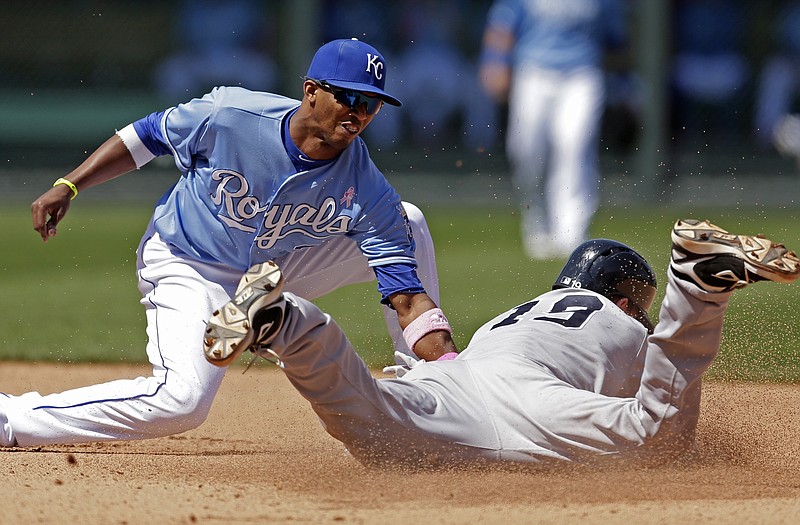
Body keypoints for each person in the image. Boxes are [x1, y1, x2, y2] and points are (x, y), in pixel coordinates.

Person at [1, 38, 456, 448]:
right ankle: (11, 418)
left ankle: (421, 383)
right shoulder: (232, 116)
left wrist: (451, 369)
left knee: (408, 222)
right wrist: (70, 185)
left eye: (372, 104)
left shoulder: (367, 188)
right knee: (181, 402)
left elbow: (407, 296)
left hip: (276, 265)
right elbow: (146, 136)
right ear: (312, 91)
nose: (358, 112)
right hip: (188, 261)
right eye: (349, 96)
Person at [200, 219, 797, 466]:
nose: (639, 320)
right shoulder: (617, 324)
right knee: (659, 442)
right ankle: (695, 286)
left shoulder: (512, 315)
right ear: (621, 300)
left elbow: (439, 365)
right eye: (638, 307)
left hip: (454, 377)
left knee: (367, 415)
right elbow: (657, 400)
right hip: (531, 400)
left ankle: (287, 320)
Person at [478, 0, 629, 260]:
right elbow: (501, 26)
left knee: (575, 147)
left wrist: (627, 82)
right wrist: (495, 62)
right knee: (526, 150)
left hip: (582, 73)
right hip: (533, 71)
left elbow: (616, 37)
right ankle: (535, 221)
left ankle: (571, 232)